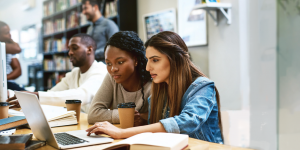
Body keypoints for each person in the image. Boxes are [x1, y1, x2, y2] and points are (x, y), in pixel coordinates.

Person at [86, 31, 224, 144]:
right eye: (148, 60)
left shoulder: (202, 87)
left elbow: (187, 122)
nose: (147, 67)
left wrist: (121, 133)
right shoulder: (159, 90)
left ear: (175, 59)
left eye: (155, 60)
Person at [7, 33, 107, 113]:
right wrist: (11, 94)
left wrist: (35, 96)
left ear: (89, 50)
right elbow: (52, 94)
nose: (70, 53)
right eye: (69, 49)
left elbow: (81, 96)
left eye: (75, 48)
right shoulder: (74, 73)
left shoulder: (101, 71)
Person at [88, 31, 152, 126]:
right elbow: (93, 115)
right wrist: (126, 115)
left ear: (135, 60)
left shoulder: (152, 82)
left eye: (120, 62)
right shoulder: (112, 78)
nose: (113, 69)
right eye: (109, 63)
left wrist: (144, 118)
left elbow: (160, 117)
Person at [0, 21, 25, 91]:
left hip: (6, 82)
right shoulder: (2, 46)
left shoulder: (9, 48)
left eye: (9, 31)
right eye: (6, 33)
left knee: (29, 96)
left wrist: (3, 78)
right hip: (4, 84)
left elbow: (18, 70)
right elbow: (18, 49)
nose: (10, 35)